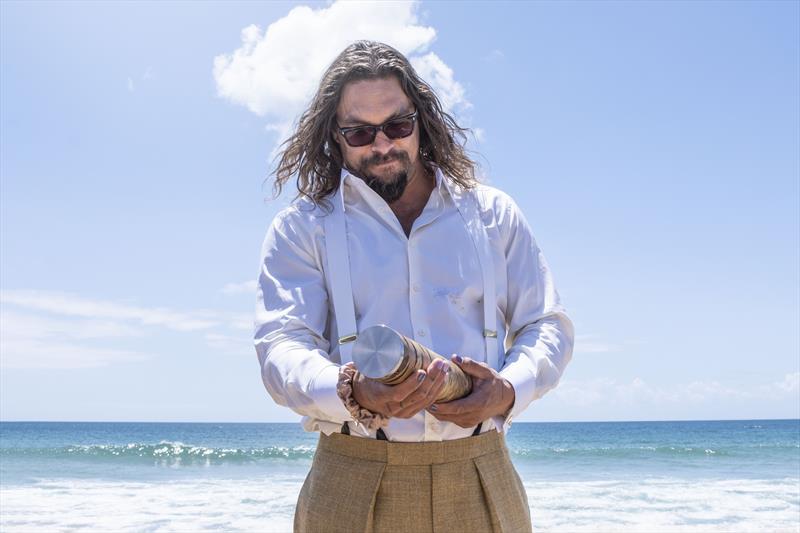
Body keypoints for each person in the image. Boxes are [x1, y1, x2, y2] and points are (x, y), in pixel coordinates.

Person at [254, 40, 574, 533]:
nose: (382, 145)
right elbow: (281, 347)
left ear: (421, 121)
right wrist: (351, 389)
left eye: (397, 125)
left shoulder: (493, 216)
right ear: (335, 138)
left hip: (479, 469)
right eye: (360, 132)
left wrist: (508, 390)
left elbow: (546, 324)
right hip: (350, 474)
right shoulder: (303, 228)